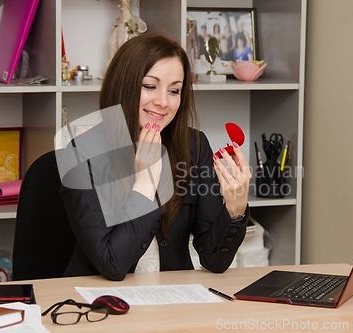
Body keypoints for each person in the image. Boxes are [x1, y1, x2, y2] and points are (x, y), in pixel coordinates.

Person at [60, 33, 252, 281]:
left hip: (171, 301)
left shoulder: (194, 145)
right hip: (99, 303)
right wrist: (145, 183)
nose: (163, 102)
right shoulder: (81, 152)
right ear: (123, 86)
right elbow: (112, 265)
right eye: (150, 86)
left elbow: (213, 260)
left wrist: (235, 210)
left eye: (174, 90)